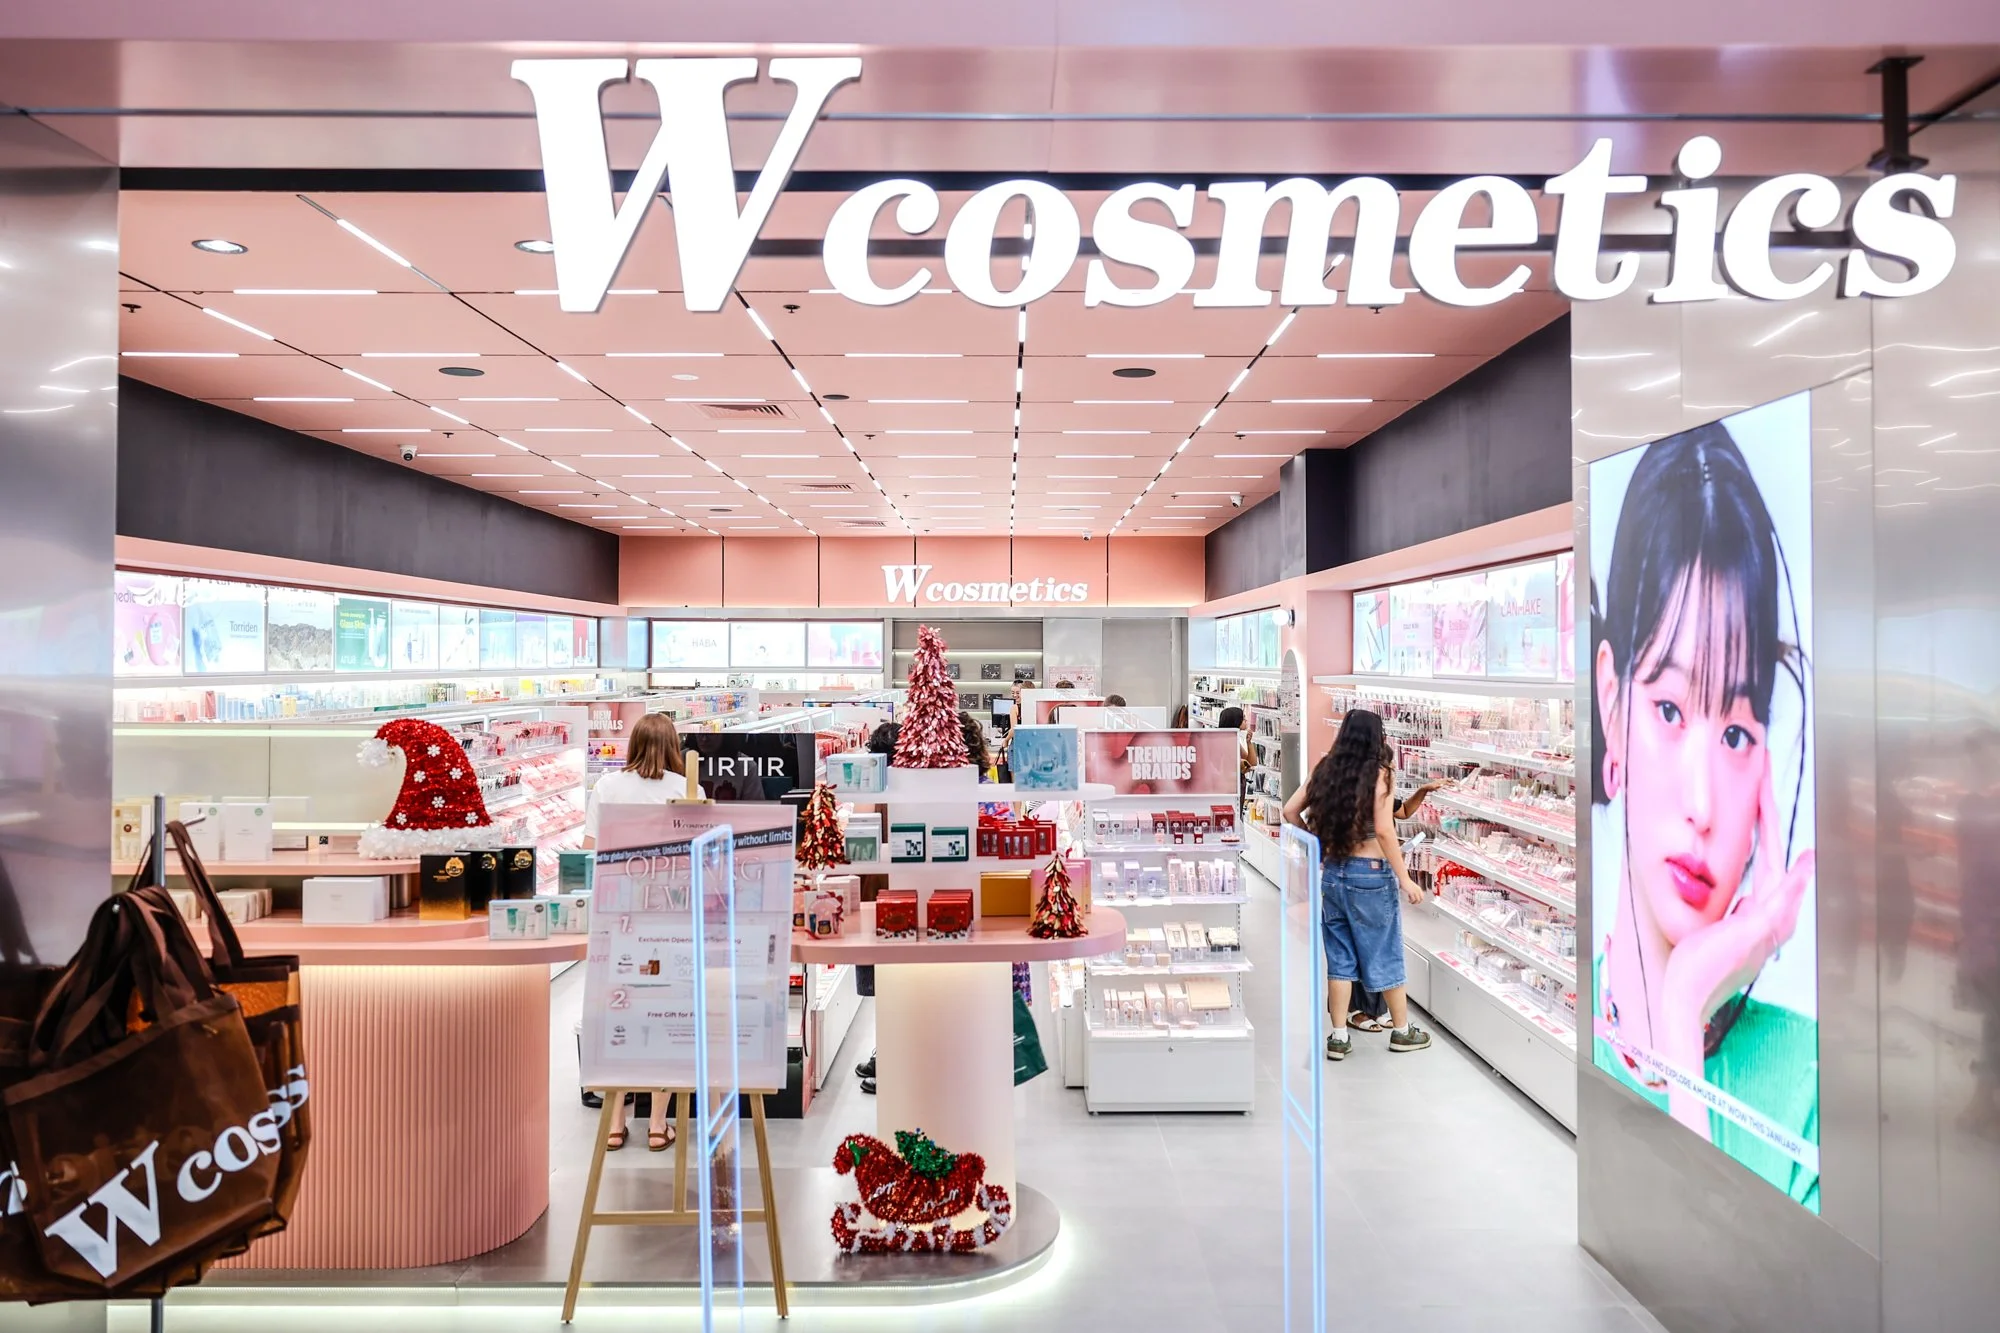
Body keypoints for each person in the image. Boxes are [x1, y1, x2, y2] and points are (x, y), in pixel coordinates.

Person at [1591, 423, 1817, 1206]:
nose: (1701, 802)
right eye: (1668, 709)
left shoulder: (1814, 1087)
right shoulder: (1573, 1019)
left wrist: (1683, 1008)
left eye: (1733, 732)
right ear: (1611, 703)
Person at [582, 712, 704, 1151]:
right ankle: (656, 1123)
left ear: (632, 745)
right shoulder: (685, 789)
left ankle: (615, 1122)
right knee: (665, 1014)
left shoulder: (608, 787)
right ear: (674, 746)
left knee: (620, 1015)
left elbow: (590, 850)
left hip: (618, 918)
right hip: (669, 919)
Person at [1283, 707, 1430, 1059]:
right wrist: (1405, 878)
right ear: (1376, 737)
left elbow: (1289, 811)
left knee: (1339, 957)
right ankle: (1402, 1030)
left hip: (1333, 872)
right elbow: (1383, 829)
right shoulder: (1381, 774)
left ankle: (1337, 1037)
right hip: (1371, 874)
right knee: (1384, 951)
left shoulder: (1325, 769)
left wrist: (1315, 845)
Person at [1344, 774, 1447, 1032]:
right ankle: (1357, 1009)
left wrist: (1423, 790)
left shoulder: (1383, 789)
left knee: (1378, 944)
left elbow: (1402, 812)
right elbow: (1380, 829)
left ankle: (1375, 1008)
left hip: (1380, 871)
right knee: (1366, 943)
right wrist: (1404, 878)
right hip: (1364, 870)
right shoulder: (1359, 787)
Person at [854, 720, 899, 1095]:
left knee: (888, 982)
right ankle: (885, 1052)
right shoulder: (910, 786)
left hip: (876, 892)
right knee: (893, 979)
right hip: (896, 893)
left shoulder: (873, 788)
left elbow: (857, 831)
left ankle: (891, 1059)